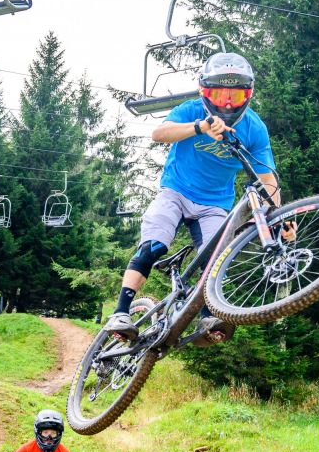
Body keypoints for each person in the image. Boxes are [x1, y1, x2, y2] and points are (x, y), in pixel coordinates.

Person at [104, 52, 289, 341]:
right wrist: (199, 127)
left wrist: (280, 217)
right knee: (154, 244)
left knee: (215, 260)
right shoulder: (191, 110)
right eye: (219, 94)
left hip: (214, 204)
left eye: (235, 96)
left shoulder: (254, 128)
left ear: (248, 95)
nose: (226, 103)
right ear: (205, 92)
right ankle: (121, 312)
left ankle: (207, 319)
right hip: (175, 191)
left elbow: (267, 178)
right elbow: (159, 133)